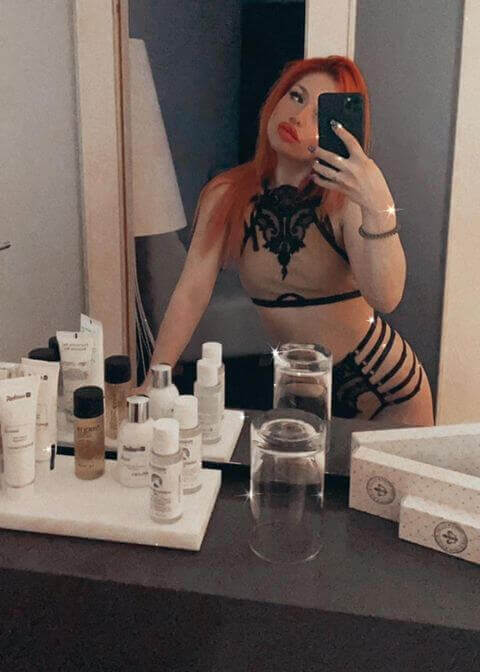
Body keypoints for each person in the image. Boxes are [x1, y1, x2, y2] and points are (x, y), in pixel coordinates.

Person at [138, 56, 434, 426]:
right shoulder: (226, 194)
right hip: (298, 389)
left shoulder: (345, 202)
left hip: (385, 393)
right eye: (296, 96)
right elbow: (191, 292)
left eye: (319, 114)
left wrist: (378, 204)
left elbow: (386, 297)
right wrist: (155, 379)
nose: (298, 116)